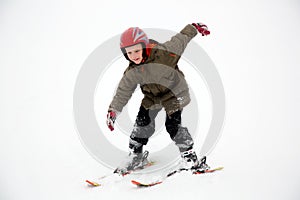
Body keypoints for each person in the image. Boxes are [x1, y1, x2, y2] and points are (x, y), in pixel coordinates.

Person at [106, 23, 210, 175]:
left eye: (137, 50)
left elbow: (180, 39)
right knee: (142, 123)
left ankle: (190, 157)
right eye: (129, 53)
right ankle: (136, 155)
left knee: (172, 125)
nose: (134, 56)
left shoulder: (164, 54)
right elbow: (123, 91)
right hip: (152, 97)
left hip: (173, 94)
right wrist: (114, 110)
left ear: (145, 46)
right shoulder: (133, 70)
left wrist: (194, 28)